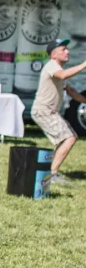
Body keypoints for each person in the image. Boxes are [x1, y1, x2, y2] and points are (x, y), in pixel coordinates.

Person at [31, 37, 86, 183]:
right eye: (63, 50)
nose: (67, 52)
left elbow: (72, 93)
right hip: (44, 111)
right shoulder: (52, 66)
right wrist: (84, 65)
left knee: (66, 139)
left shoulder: (59, 70)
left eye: (67, 49)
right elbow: (63, 75)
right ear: (53, 54)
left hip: (50, 112)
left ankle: (49, 172)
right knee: (70, 138)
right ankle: (52, 174)